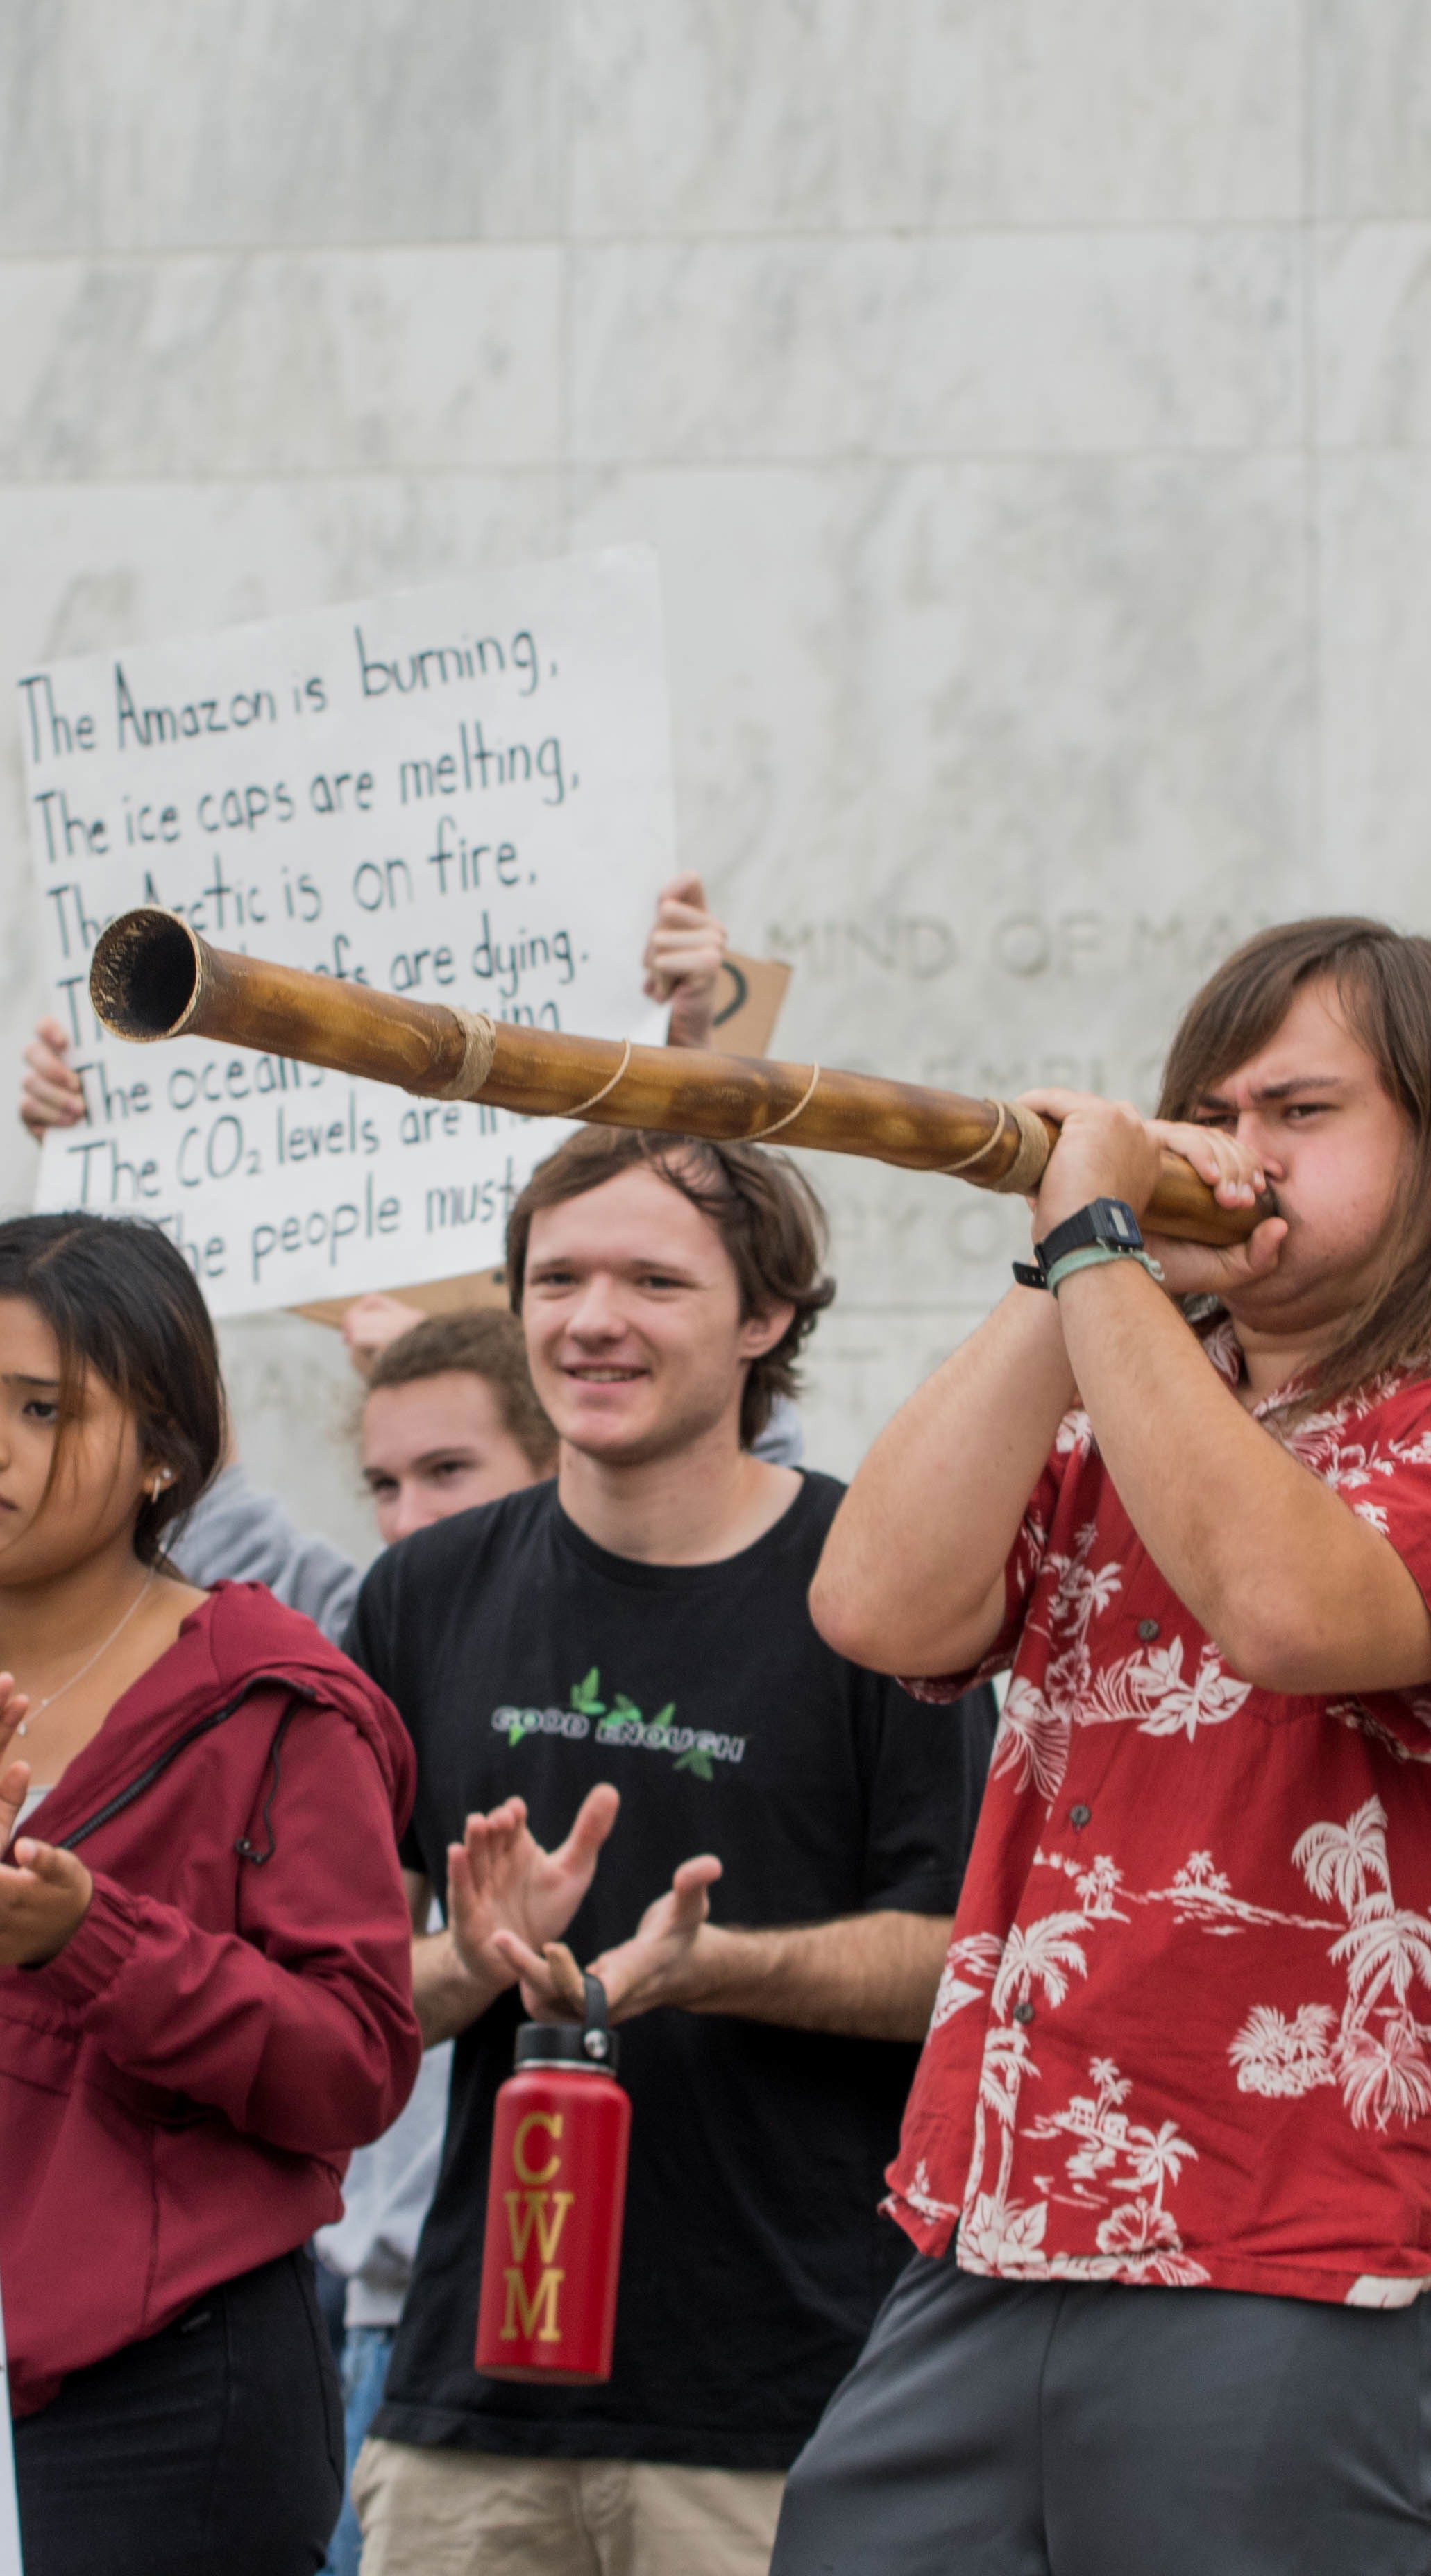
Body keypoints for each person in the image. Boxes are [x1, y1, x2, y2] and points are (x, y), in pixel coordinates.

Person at [774, 916, 1431, 2576]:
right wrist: (1064, 1267)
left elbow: (1293, 1607)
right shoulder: (1126, 1382)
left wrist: (1100, 1260)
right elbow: (873, 1602)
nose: (1233, 1152)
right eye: (1204, 1110)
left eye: (1297, 1111)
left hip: (1312, 2239)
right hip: (986, 2215)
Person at [343, 1124, 999, 2576]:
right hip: (465, 2411)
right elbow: (336, 1989)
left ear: (763, 1315)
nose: (590, 1318)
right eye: (557, 1275)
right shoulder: (423, 1592)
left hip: (796, 2407)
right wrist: (474, 1957)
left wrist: (715, 1965)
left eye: (652, 1278)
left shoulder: (876, 1586)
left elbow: (970, 1953)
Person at [0, 1212, 421, 2576]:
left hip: (157, 2393)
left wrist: (90, 1941)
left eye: (43, 1405)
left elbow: (353, 2063)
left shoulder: (270, 1699)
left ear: (168, 1446)